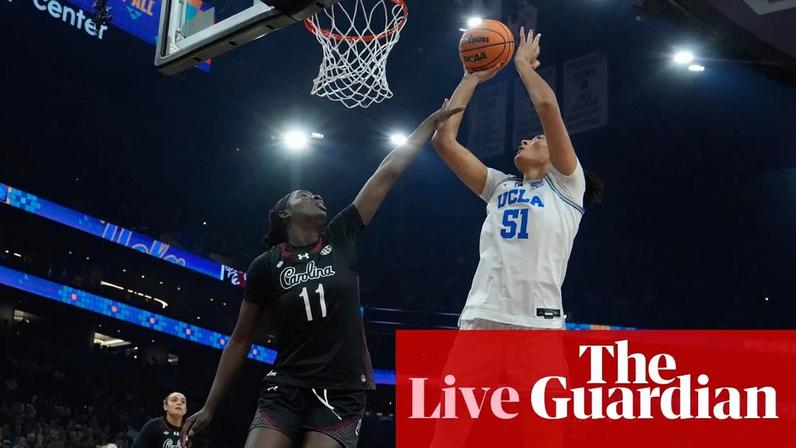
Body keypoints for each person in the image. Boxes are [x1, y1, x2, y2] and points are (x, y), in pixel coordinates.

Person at [181, 101, 464, 448]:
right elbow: (240, 340)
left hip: (342, 389)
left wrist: (428, 124)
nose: (317, 195)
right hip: (286, 385)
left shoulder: (341, 236)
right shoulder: (265, 265)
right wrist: (210, 406)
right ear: (285, 214)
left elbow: (387, 172)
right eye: (304, 194)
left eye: (316, 194)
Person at [432, 27, 604, 332]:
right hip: (482, 315)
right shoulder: (500, 186)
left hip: (537, 322)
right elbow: (443, 140)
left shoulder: (567, 186)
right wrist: (470, 78)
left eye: (537, 138)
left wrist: (523, 65)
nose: (525, 141)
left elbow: (548, 108)